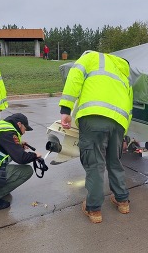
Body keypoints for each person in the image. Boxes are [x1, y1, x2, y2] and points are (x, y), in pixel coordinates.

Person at [59, 51, 133, 223]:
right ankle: (122, 201)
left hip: (93, 117)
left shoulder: (91, 57)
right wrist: (123, 135)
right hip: (119, 123)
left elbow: (74, 77)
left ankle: (94, 209)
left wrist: (65, 110)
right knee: (114, 161)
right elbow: (129, 108)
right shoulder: (123, 74)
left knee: (95, 165)